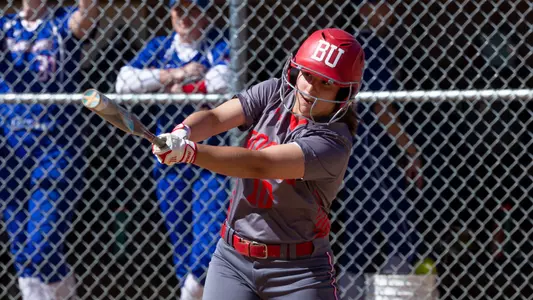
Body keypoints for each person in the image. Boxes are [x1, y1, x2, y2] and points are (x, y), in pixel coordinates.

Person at [151, 28, 364, 299]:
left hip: (297, 270)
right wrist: (183, 132)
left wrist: (190, 153)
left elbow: (260, 164)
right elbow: (216, 118)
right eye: (308, 75)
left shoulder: (333, 141)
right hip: (232, 260)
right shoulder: (274, 92)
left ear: (343, 93)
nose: (310, 89)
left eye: (326, 83)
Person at [115, 1, 230, 299]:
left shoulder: (218, 42)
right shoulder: (161, 47)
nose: (185, 17)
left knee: (208, 246)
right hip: (168, 156)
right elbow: (124, 82)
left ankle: (191, 293)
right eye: (179, 10)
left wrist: (174, 90)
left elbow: (222, 82)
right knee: (181, 241)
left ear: (205, 15)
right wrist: (174, 76)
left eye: (193, 10)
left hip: (210, 156)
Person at [0, 1, 99, 299]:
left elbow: (85, 17)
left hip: (55, 145)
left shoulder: (60, 21)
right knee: (20, 247)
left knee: (42, 244)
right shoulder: (6, 26)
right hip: (11, 147)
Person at [333, 2, 422, 298]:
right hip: (366, 148)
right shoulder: (368, 45)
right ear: (363, 9)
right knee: (403, 234)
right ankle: (394, 293)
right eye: (379, 5)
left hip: (349, 148)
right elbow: (382, 107)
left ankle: (349, 293)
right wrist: (410, 150)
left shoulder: (351, 44)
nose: (389, 10)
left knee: (360, 233)